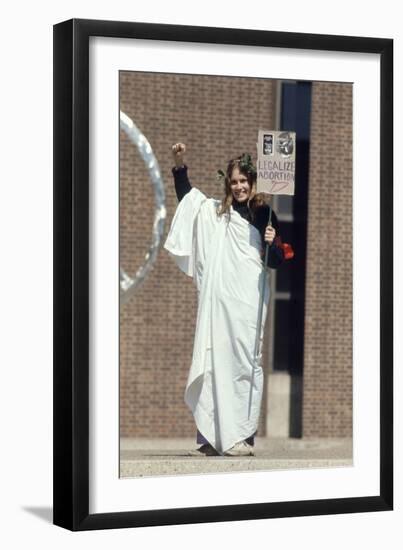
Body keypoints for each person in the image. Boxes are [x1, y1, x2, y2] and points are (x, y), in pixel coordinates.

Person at [164, 143, 284, 457]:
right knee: (213, 360)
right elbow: (188, 198)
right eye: (234, 181)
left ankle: (242, 436)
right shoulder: (217, 213)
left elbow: (276, 262)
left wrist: (273, 242)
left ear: (253, 183)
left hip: (247, 304)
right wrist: (180, 163)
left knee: (245, 363)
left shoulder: (264, 214)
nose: (239, 186)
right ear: (227, 184)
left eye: (244, 180)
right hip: (219, 305)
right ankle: (209, 439)